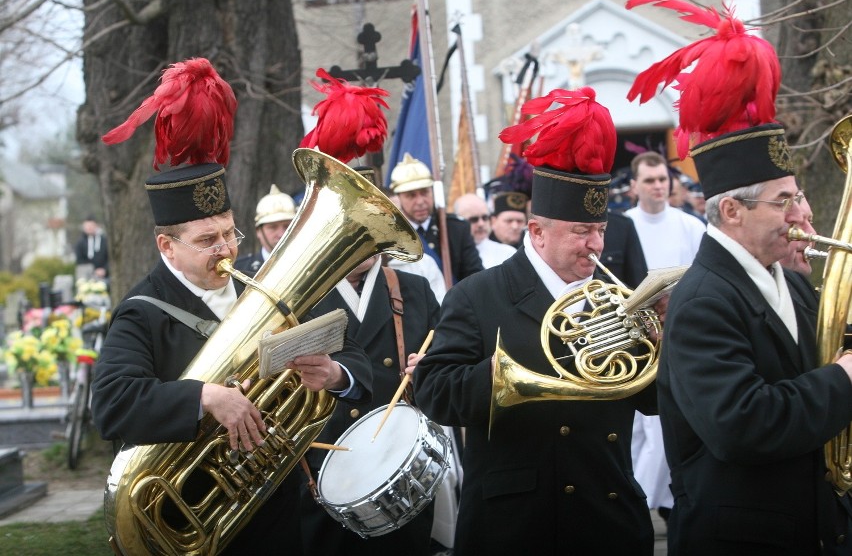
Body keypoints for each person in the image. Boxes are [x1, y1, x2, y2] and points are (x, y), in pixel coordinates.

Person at [92, 58, 373, 556]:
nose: (225, 249)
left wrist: (334, 374)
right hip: (195, 519)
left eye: (229, 233)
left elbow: (357, 363)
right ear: (166, 246)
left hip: (278, 516)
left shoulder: (263, 289)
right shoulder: (143, 311)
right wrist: (204, 398)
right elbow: (113, 404)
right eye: (206, 240)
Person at [626, 0, 852, 554]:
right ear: (732, 211)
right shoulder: (703, 299)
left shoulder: (792, 281)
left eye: (798, 198)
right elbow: (744, 424)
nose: (802, 215)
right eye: (783, 202)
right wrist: (845, 379)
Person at [414, 87, 657, 555]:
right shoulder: (477, 294)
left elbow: (654, 401)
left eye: (601, 231)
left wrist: (661, 339)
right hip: (516, 523)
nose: (596, 246)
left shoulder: (618, 298)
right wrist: (511, 373)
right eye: (582, 231)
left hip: (609, 514)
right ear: (538, 232)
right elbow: (434, 391)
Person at [299, 254, 441, 555]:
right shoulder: (299, 294)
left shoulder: (414, 288)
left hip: (400, 474)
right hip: (322, 472)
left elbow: (447, 373)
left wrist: (432, 370)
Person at [624, 150, 705, 521]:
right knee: (636, 429)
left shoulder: (690, 226)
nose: (659, 186)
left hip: (676, 334)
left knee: (662, 426)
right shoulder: (623, 226)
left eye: (663, 179)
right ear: (633, 186)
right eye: (650, 180)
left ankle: (655, 502)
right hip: (630, 337)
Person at [388, 153, 483, 286]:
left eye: (425, 192)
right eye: (411, 196)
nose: (420, 201)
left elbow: (475, 277)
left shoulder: (455, 228)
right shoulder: (391, 235)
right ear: (398, 198)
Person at [233, 184, 297, 276]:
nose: (281, 234)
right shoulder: (239, 268)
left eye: (287, 226)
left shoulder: (310, 262)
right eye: (273, 227)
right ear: (258, 231)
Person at [453, 193, 515, 268]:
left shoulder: (507, 253)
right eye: (474, 219)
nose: (481, 224)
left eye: (485, 218)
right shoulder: (450, 254)